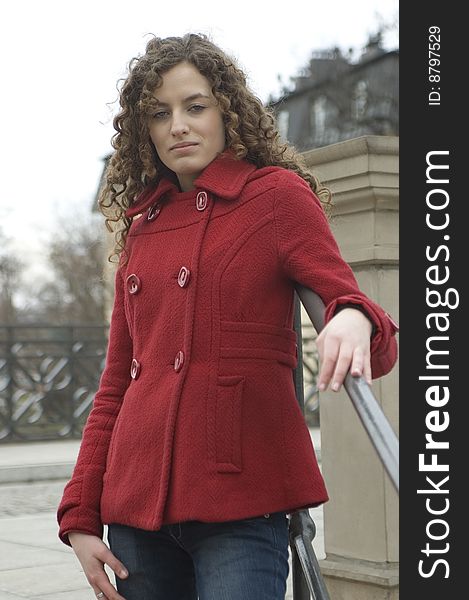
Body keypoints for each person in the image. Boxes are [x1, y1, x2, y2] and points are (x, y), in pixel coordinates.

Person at [57, 33, 398, 600]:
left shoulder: (276, 198)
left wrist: (353, 317)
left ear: (226, 110)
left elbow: (362, 323)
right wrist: (81, 515)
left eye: (195, 106)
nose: (179, 126)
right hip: (138, 510)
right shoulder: (141, 231)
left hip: (241, 503)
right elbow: (117, 383)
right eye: (160, 114)